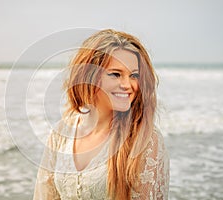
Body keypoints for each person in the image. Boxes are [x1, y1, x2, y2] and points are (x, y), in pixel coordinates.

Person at [33, 29, 169, 200]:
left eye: (134, 75)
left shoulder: (146, 140)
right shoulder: (62, 132)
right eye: (115, 74)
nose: (127, 84)